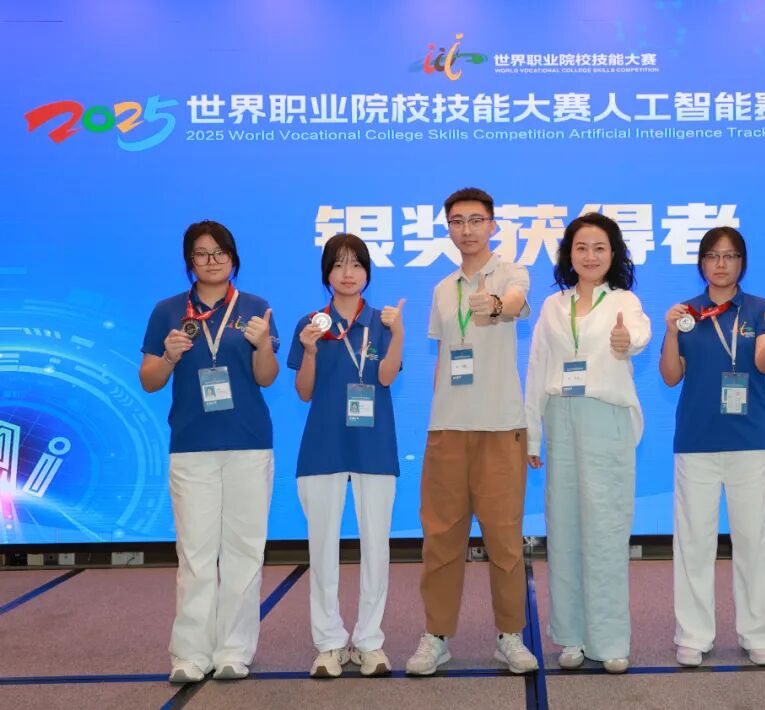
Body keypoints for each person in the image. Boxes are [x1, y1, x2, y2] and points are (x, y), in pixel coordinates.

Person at [405, 187, 539, 676]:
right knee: (441, 539)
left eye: (476, 220)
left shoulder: (511, 273)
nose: (467, 230)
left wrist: (497, 304)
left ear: (493, 225)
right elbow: (444, 357)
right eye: (457, 221)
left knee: (504, 540)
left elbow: (516, 302)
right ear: (448, 228)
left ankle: (510, 636)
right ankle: (437, 635)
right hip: (447, 429)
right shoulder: (443, 289)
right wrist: (436, 419)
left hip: (501, 426)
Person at [139, 220, 279, 684]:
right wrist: (169, 356)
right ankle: (190, 654)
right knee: (196, 554)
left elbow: (266, 377)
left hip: (248, 444)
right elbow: (149, 380)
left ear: (233, 258)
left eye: (220, 252)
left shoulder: (256, 308)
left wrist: (263, 344)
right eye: (201, 253)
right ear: (189, 262)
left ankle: (235, 650)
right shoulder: (167, 311)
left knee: (244, 552)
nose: (212, 261)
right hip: (192, 447)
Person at [524, 213, 651, 674]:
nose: (590, 256)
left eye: (600, 248)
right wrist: (532, 432)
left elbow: (639, 334)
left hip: (605, 418)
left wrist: (626, 340)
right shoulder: (552, 307)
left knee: (606, 530)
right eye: (581, 247)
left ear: (613, 254)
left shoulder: (623, 301)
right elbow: (537, 367)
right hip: (560, 419)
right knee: (564, 529)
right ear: (568, 254)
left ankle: (610, 640)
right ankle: (572, 636)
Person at [659, 226, 765, 668]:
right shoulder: (687, 313)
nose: (720, 263)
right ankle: (693, 635)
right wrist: (670, 333)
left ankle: (757, 634)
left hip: (749, 442)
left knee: (752, 542)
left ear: (742, 263)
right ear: (701, 263)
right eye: (712, 255)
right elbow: (670, 377)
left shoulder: (760, 310)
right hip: (696, 442)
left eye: (730, 256)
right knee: (694, 544)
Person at [287, 233, 404, 678]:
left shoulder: (383, 321)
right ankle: (330, 643)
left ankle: (370, 641)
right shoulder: (312, 324)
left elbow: (387, 377)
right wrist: (310, 350)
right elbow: (304, 392)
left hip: (374, 446)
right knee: (322, 548)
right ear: (326, 274)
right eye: (338, 265)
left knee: (377, 547)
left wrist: (399, 333)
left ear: (367, 272)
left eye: (356, 264)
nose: (348, 273)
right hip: (323, 446)